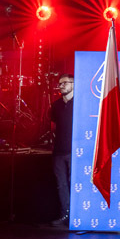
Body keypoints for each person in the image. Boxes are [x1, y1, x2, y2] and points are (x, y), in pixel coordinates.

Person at [50, 73, 75, 228]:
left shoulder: (80, 103)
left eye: (65, 83)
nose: (61, 86)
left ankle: (76, 216)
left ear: (74, 84)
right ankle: (65, 215)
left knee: (74, 183)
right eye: (60, 83)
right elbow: (53, 125)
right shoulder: (56, 105)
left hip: (75, 151)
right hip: (59, 150)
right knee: (61, 185)